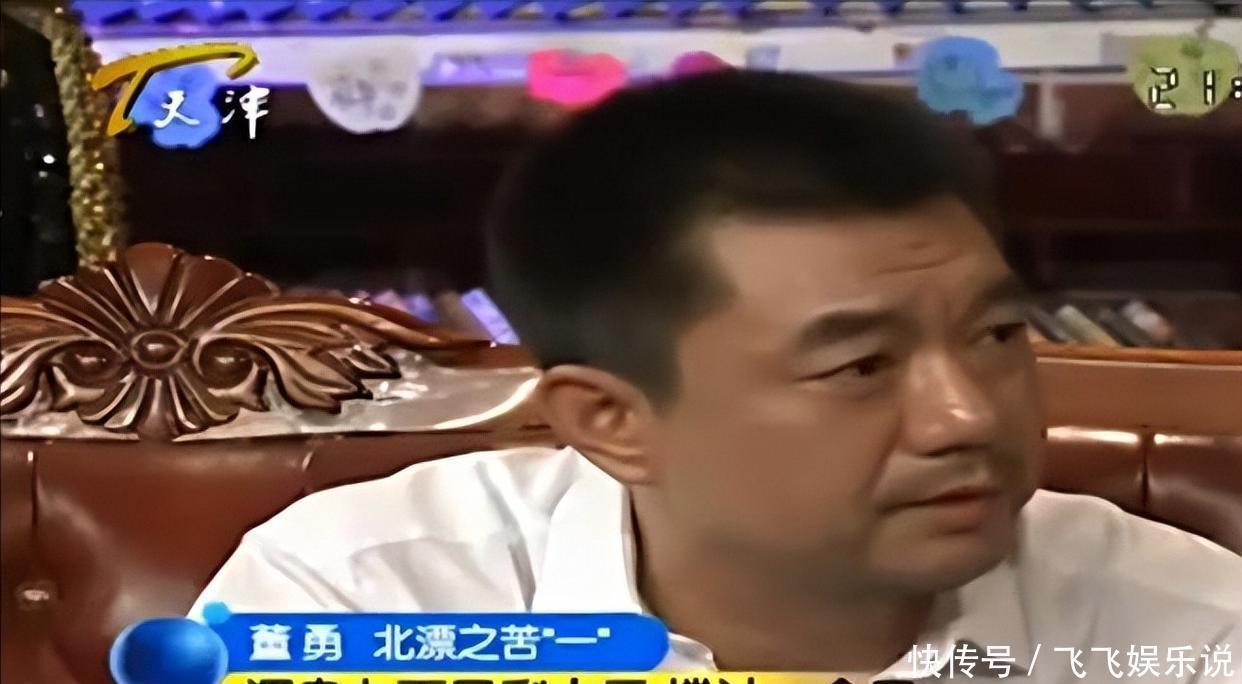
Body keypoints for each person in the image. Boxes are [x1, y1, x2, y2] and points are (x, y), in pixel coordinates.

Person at [193, 72, 1241, 682]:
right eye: (861, 364)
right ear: (610, 420)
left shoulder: (1185, 633)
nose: (965, 415)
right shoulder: (363, 602)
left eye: (997, 336)